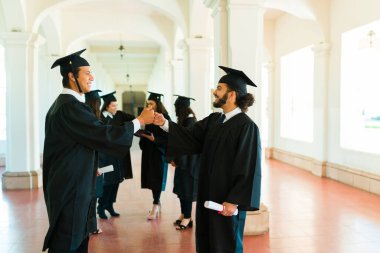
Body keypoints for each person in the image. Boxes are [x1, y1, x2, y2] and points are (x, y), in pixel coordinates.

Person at [42, 49, 154, 253]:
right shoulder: (70, 107)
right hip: (70, 187)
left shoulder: (66, 105)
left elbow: (79, 144)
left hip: (74, 182)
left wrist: (90, 166)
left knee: (78, 238)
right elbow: (103, 134)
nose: (91, 77)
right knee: (67, 242)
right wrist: (139, 121)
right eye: (86, 72)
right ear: (71, 75)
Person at [154, 66, 262, 253]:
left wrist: (234, 200)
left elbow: (248, 166)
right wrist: (164, 124)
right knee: (207, 240)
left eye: (219, 88)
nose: (214, 91)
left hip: (226, 200)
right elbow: (190, 137)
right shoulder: (214, 120)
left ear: (231, 95)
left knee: (226, 242)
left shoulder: (246, 127)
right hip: (208, 195)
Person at [97, 91, 135, 219]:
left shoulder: (117, 115)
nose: (116, 108)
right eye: (113, 106)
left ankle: (110, 205)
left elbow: (132, 118)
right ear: (106, 106)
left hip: (117, 157)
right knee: (107, 182)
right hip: (106, 158)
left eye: (116, 105)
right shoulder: (101, 118)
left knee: (116, 181)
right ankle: (101, 207)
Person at [169, 95, 200, 230]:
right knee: (182, 189)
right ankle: (184, 214)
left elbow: (186, 144)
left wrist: (177, 159)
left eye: (177, 108)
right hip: (184, 161)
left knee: (187, 190)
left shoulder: (190, 121)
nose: (175, 110)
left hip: (189, 162)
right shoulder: (185, 120)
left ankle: (188, 217)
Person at [139, 92, 171, 220]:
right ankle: (156, 201)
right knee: (151, 179)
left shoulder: (166, 117)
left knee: (157, 178)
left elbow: (170, 136)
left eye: (152, 103)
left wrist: (155, 140)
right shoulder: (149, 117)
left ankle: (155, 204)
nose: (149, 106)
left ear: (158, 104)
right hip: (148, 152)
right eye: (148, 104)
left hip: (159, 153)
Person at [84, 89, 104, 235]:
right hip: (91, 164)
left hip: (91, 163)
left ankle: (91, 224)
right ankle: (91, 226)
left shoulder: (86, 115)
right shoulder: (92, 119)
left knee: (91, 197)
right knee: (92, 196)